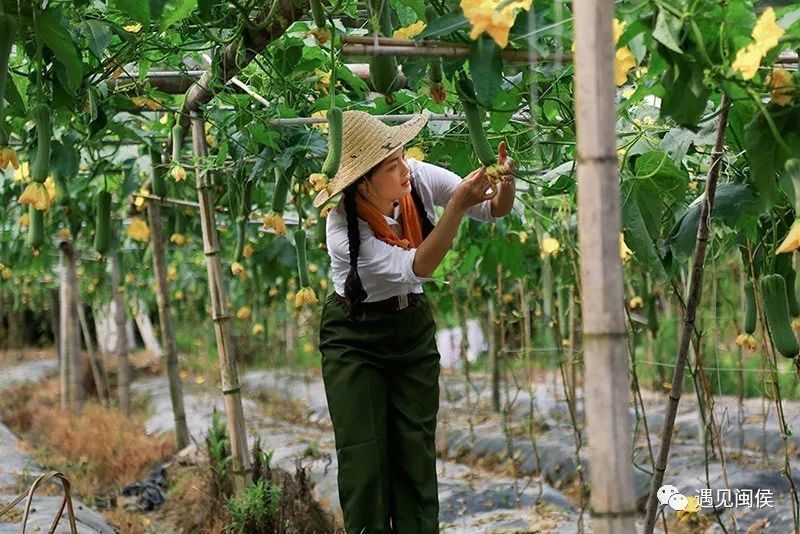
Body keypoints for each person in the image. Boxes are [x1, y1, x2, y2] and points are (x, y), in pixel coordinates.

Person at [313, 110, 515, 533]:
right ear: (362, 181)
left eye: (403, 156)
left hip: (410, 330)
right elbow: (418, 267)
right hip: (354, 335)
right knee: (364, 456)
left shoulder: (416, 178)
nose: (405, 168)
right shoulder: (342, 231)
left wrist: (503, 185)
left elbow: (492, 210)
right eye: (391, 165)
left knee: (415, 452)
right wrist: (456, 207)